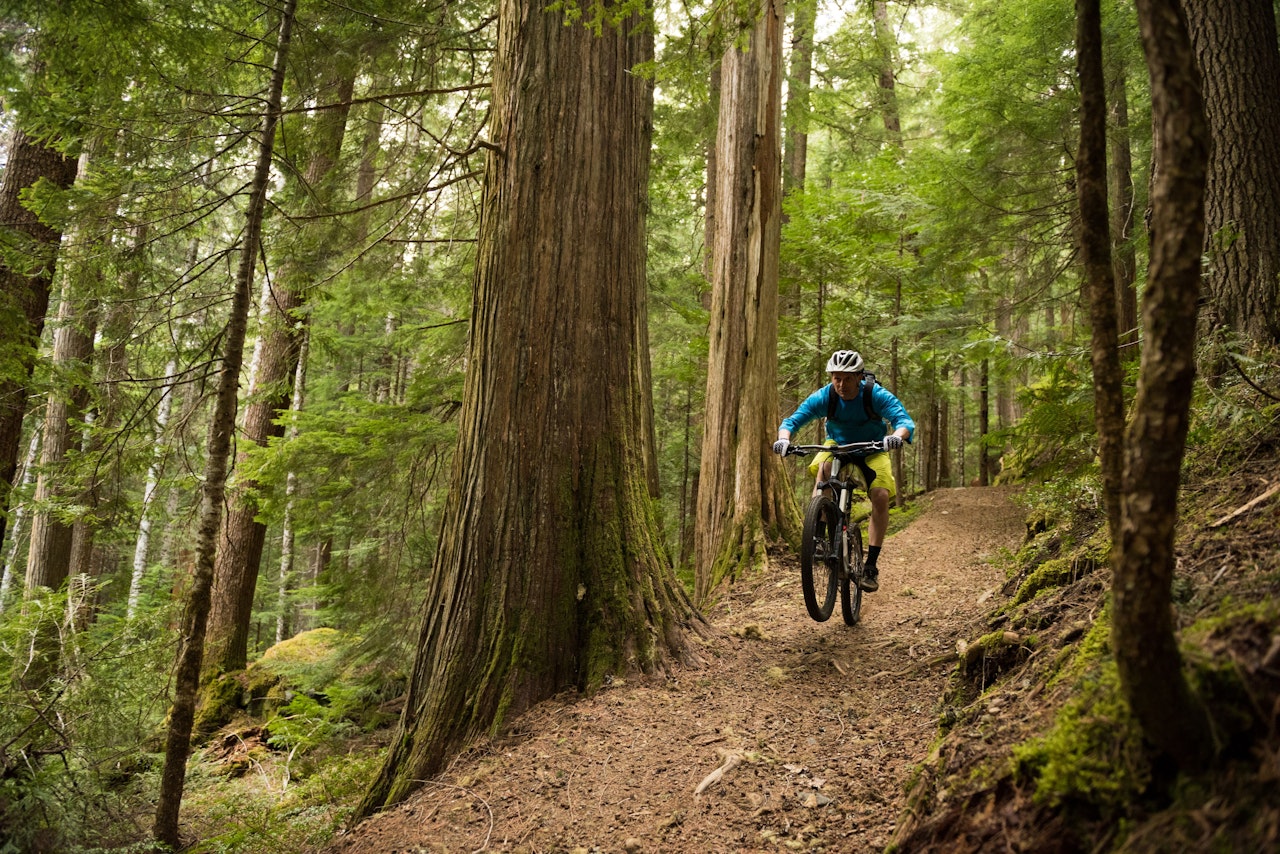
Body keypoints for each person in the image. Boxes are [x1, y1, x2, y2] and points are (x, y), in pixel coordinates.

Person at [772, 349, 914, 593]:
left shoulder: (874, 394)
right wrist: (784, 439)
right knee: (824, 472)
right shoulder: (826, 396)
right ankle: (817, 538)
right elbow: (792, 421)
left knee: (880, 496)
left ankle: (870, 566)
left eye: (847, 378)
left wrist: (896, 437)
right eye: (836, 377)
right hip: (837, 444)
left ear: (859, 377)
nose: (841, 384)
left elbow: (904, 422)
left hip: (872, 448)